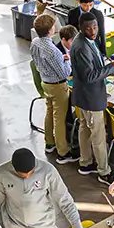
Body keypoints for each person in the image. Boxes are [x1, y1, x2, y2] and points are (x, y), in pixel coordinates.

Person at [0, 147, 89, 228]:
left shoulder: (48, 171)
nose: (27, 177)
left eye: (31, 173)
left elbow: (66, 202)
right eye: (21, 175)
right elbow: (1, 207)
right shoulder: (1, 174)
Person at [29, 11, 73, 160]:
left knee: (49, 113)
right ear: (50, 30)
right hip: (58, 86)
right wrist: (67, 60)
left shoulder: (35, 42)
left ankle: (49, 143)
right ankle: (63, 151)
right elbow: (64, 74)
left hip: (45, 82)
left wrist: (62, 58)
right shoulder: (53, 50)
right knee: (59, 119)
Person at [70, 15, 111, 175]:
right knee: (98, 136)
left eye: (95, 27)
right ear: (81, 28)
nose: (93, 31)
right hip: (91, 98)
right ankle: (104, 171)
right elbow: (89, 76)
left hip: (84, 97)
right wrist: (112, 67)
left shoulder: (86, 41)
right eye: (88, 28)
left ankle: (85, 162)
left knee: (85, 130)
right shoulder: (81, 46)